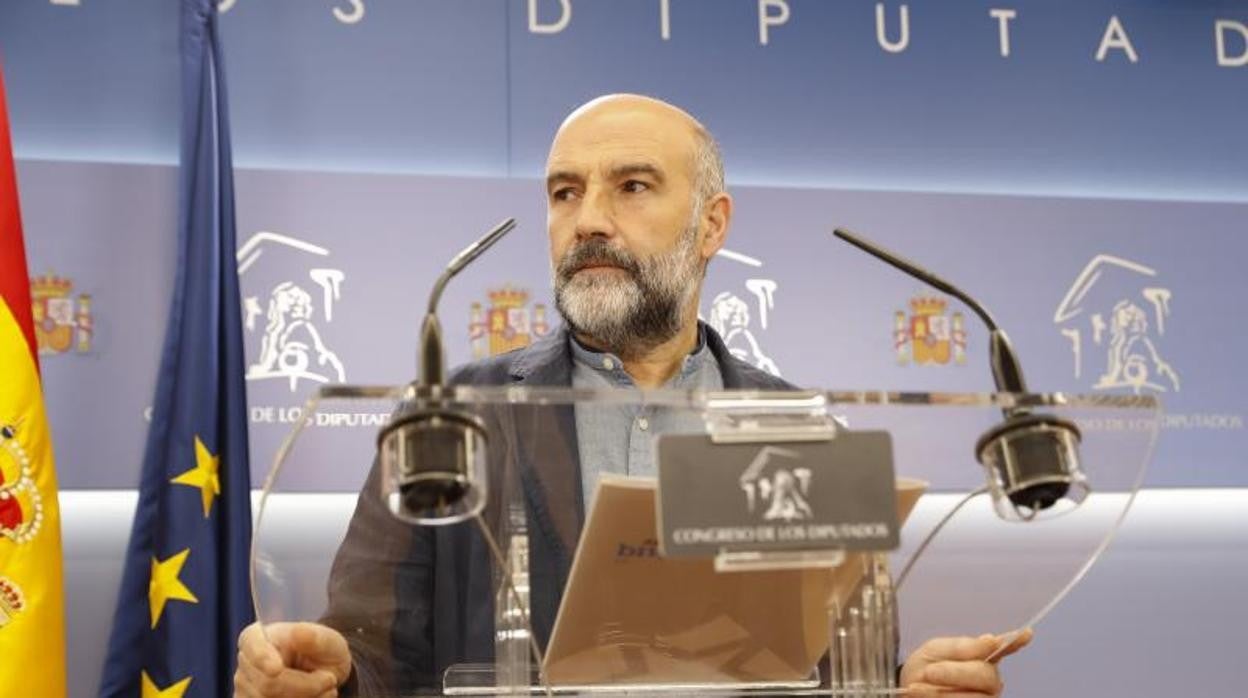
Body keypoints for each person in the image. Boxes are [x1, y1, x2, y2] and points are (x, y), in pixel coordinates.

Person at [234, 94, 1031, 697]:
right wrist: (326, 673)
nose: (588, 221)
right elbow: (372, 649)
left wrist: (903, 686)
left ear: (711, 225)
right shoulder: (457, 415)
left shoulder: (803, 429)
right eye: (564, 193)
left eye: (632, 187)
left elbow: (838, 665)